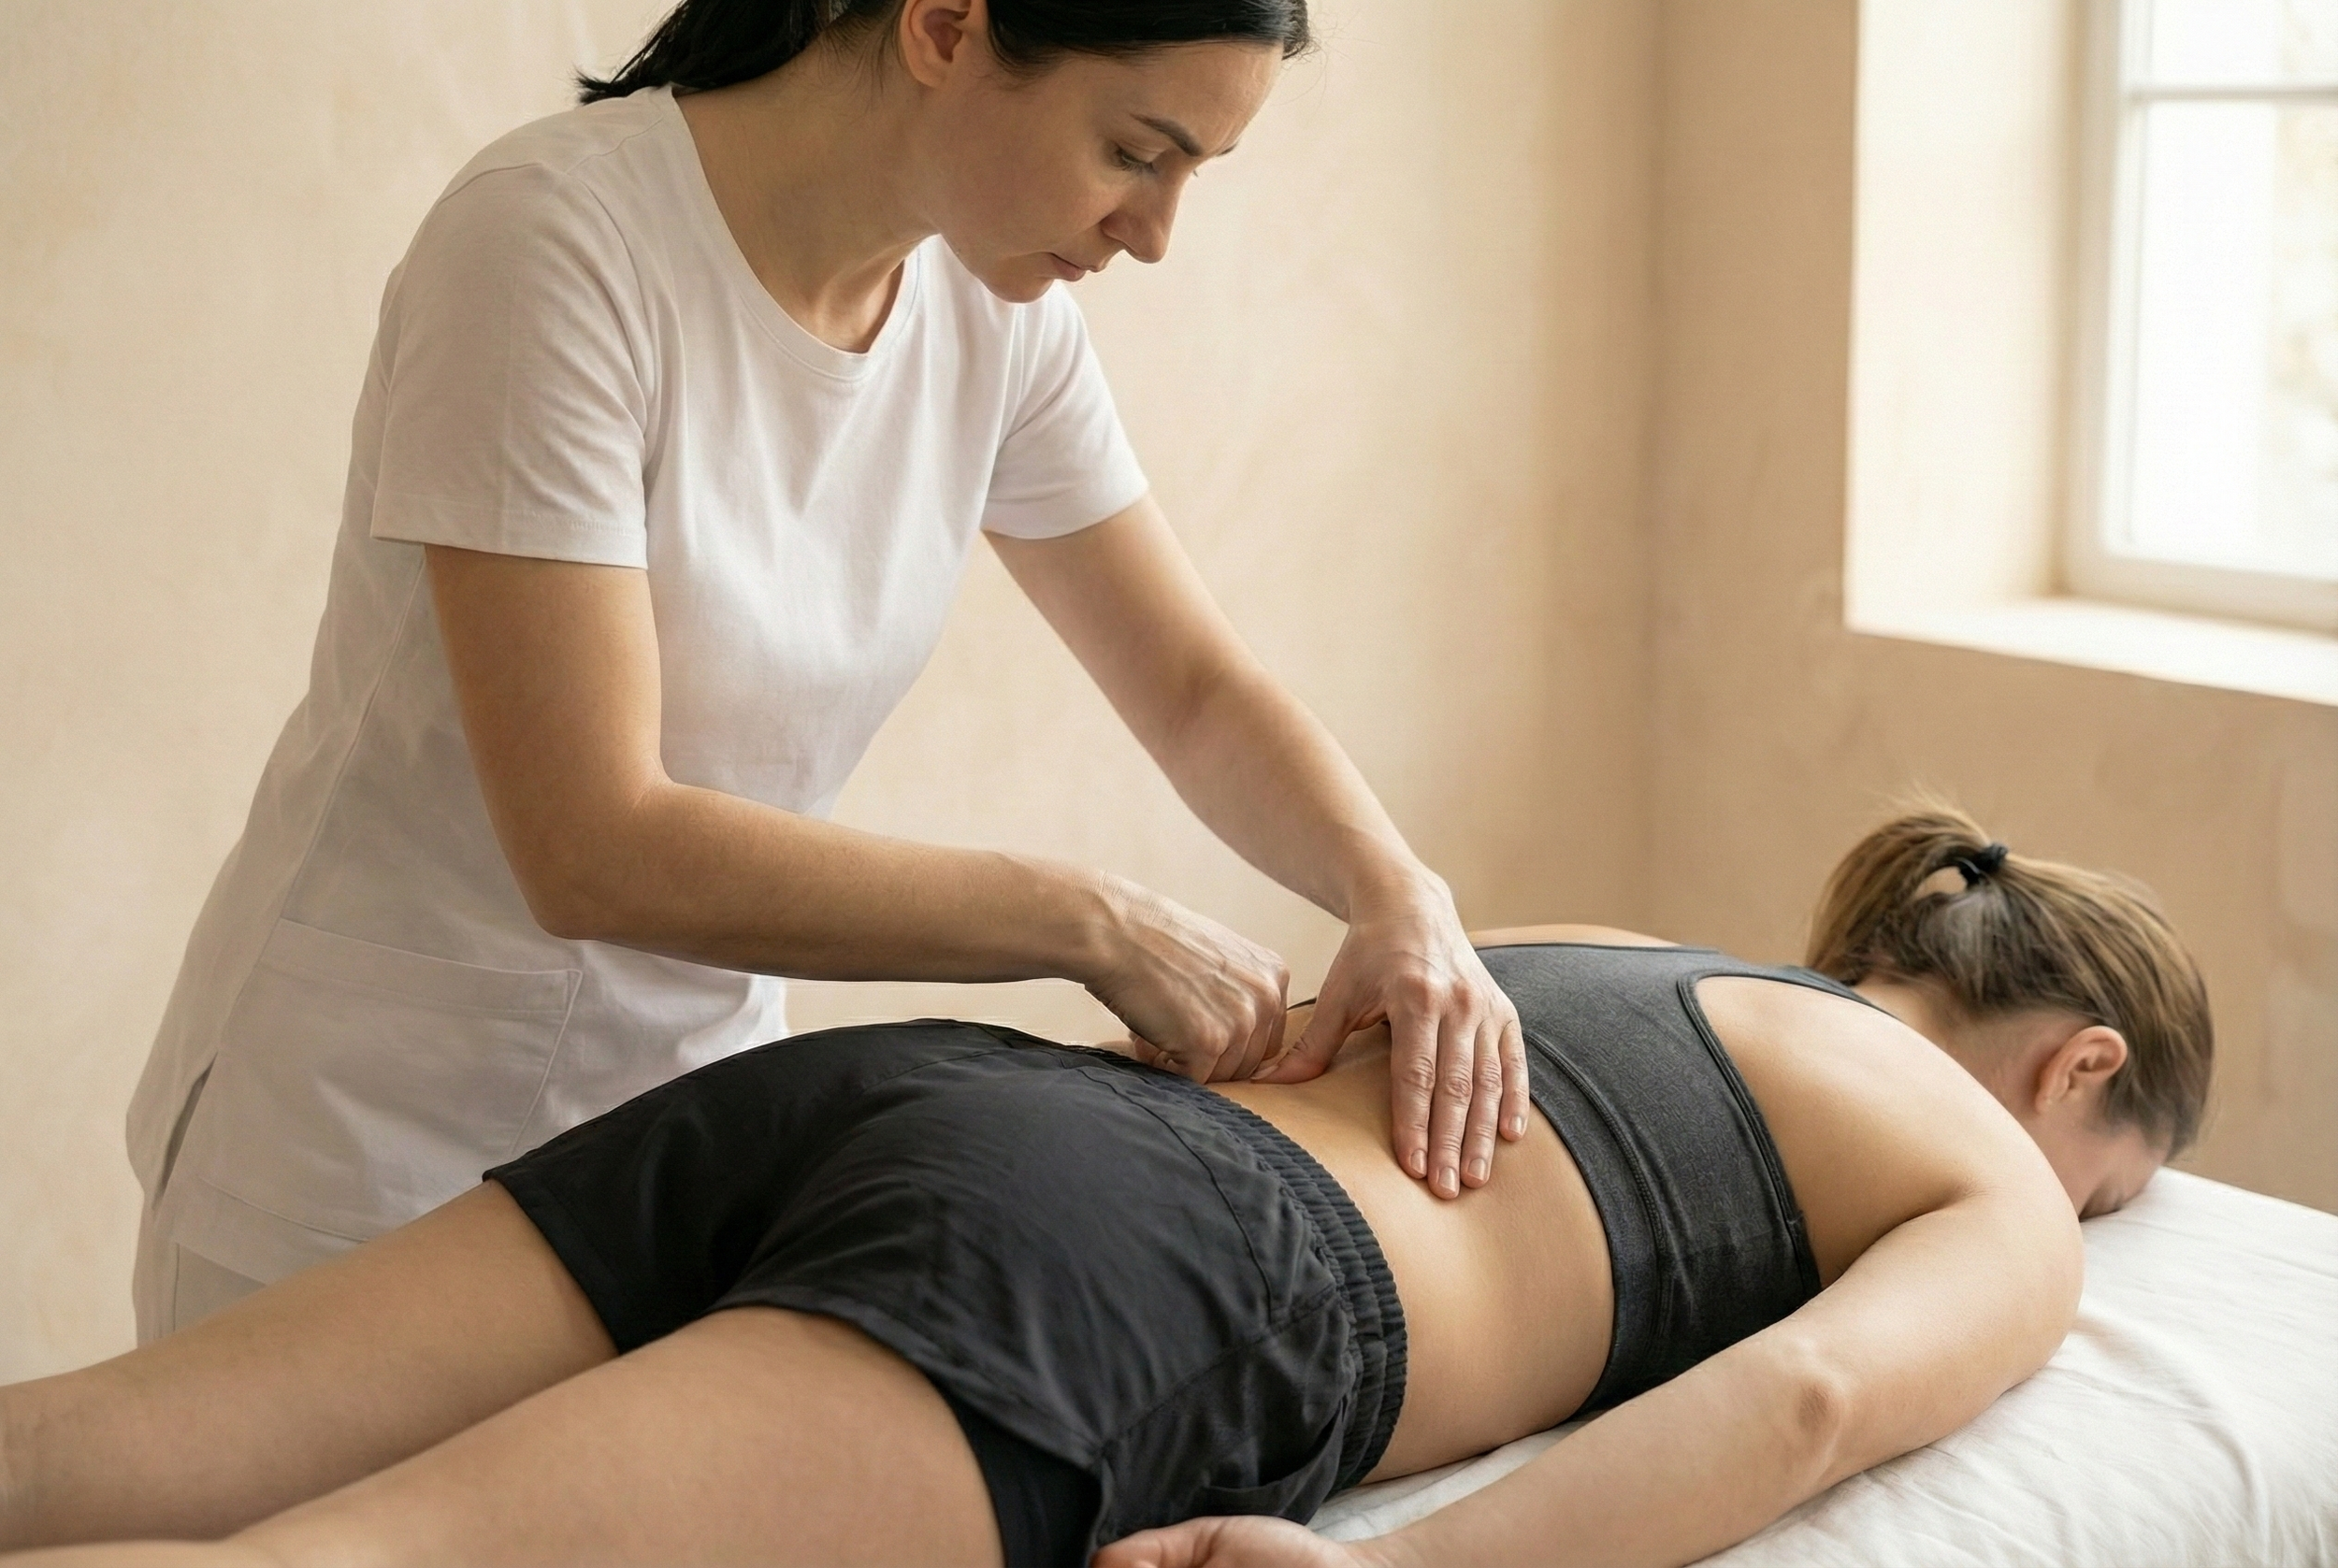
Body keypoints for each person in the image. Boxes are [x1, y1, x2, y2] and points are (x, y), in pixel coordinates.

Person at [123, 0, 1532, 1344]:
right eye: (1134, 153)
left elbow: (1193, 690)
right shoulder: (553, 246)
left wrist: (1400, 898)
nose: (1155, 235)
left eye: (1192, 173)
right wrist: (1087, 921)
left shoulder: (996, 316)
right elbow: (592, 842)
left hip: (675, 1143)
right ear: (944, 26)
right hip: (364, 1153)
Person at [7, 809, 2213, 1567]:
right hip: (1148, 1263)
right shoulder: (1986, 1180)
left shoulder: (1632, 955)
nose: (2070, 1222)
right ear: (2076, 1067)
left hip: (925, 1095)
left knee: (108, 1441)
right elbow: (1813, 1405)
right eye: (2101, 1186)